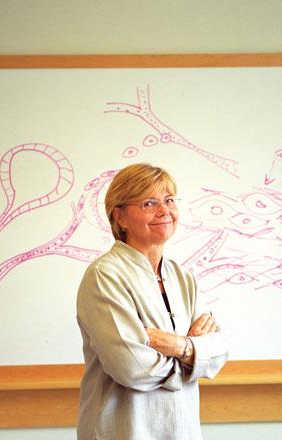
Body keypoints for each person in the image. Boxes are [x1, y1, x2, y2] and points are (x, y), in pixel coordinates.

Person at [76, 163, 229, 439]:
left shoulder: (183, 278)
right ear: (119, 217)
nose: (164, 211)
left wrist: (177, 345)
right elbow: (132, 368)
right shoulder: (104, 275)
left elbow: (218, 353)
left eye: (169, 200)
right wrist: (193, 356)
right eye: (149, 203)